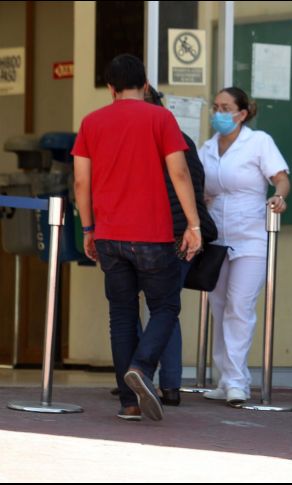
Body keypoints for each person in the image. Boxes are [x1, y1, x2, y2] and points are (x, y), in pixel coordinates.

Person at [73, 54, 202, 421]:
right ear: (145, 86)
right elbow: (179, 173)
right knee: (165, 307)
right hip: (152, 235)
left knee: (122, 314)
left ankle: (128, 403)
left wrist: (88, 228)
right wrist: (193, 224)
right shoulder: (161, 117)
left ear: (110, 88)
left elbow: (81, 180)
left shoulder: (92, 122)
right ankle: (143, 368)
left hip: (110, 235)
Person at [199, 86, 290, 406]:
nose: (218, 113)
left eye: (225, 107)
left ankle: (237, 381)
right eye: (215, 107)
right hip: (216, 237)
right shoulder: (207, 148)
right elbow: (199, 184)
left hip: (250, 234)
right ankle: (226, 378)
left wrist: (279, 195)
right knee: (219, 306)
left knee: (240, 306)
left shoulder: (258, 142)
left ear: (241, 113)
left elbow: (281, 177)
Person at [144, 86, 218, 406]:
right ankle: (169, 385)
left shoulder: (149, 139)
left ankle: (140, 375)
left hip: (159, 234)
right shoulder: (184, 139)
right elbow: (195, 184)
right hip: (184, 235)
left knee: (152, 306)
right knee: (166, 307)